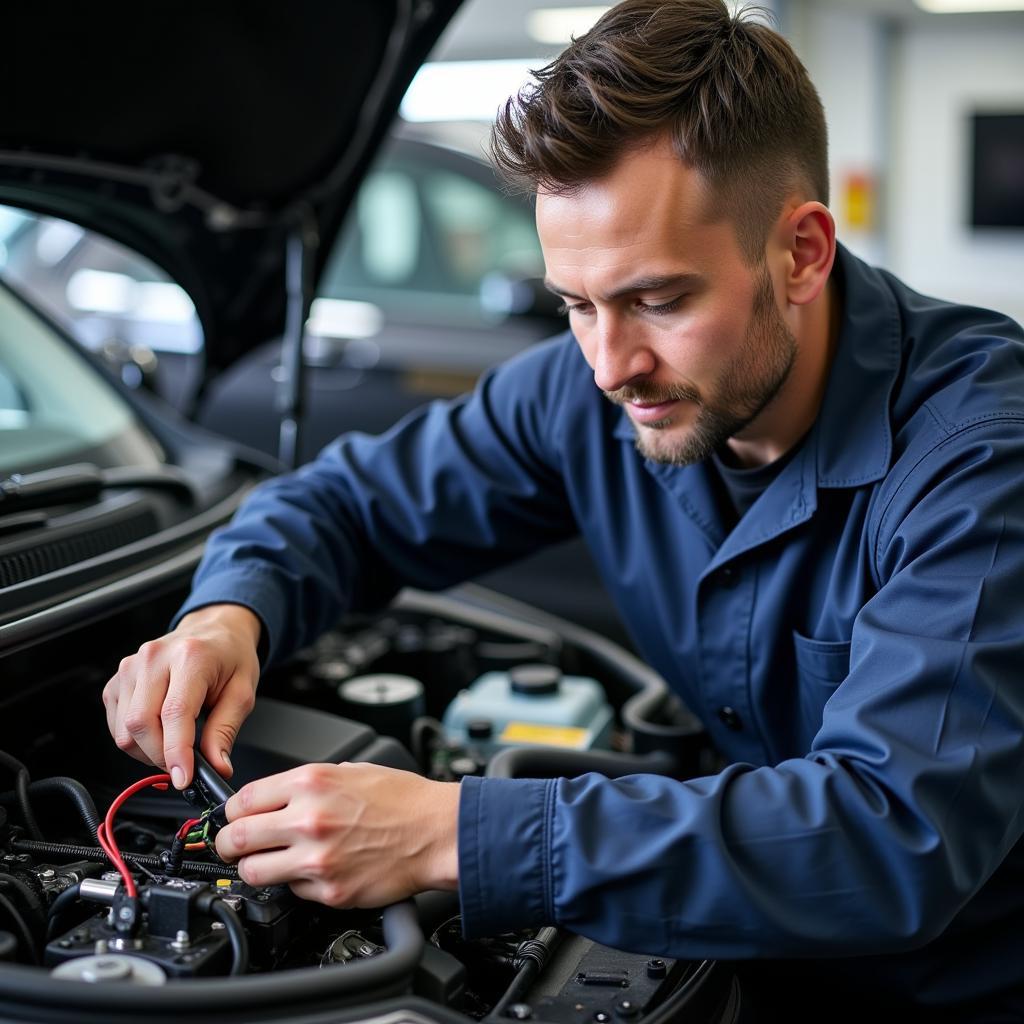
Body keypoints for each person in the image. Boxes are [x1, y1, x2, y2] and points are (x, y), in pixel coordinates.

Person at [102, 0, 1024, 1017]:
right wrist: (229, 612)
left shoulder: (982, 459)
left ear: (801, 253)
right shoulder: (581, 390)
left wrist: (448, 832)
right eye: (575, 304)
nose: (610, 364)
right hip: (735, 955)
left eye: (660, 299)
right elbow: (347, 502)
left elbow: (887, 835)